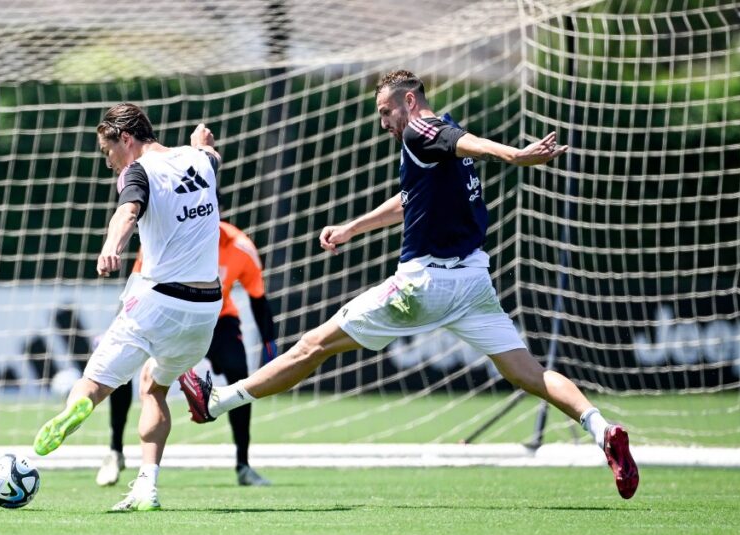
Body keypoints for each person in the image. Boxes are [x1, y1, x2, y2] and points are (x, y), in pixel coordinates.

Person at [179, 70, 639, 499]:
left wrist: (514, 155)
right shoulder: (433, 143)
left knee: (313, 346)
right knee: (528, 374)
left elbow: (469, 143)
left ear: (409, 101)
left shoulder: (423, 130)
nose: (383, 122)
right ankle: (602, 430)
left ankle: (217, 402)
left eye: (385, 111)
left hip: (422, 285)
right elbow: (410, 199)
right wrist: (351, 228)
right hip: (474, 283)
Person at [33, 103, 225, 512]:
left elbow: (128, 211)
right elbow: (210, 155)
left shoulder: (136, 172)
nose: (110, 163)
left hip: (158, 303)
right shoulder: (199, 162)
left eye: (108, 152)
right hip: (206, 310)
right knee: (154, 387)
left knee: (96, 382)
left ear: (126, 138)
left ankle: (78, 405)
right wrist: (202, 144)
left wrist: (110, 246)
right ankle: (145, 488)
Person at [96, 222, 278, 487]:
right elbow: (136, 284)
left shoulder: (241, 246)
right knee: (120, 367)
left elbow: (258, 299)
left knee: (239, 371)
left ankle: (243, 465)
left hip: (216, 319)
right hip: (163, 314)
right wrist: (120, 326)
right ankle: (115, 451)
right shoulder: (163, 237)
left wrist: (270, 350)